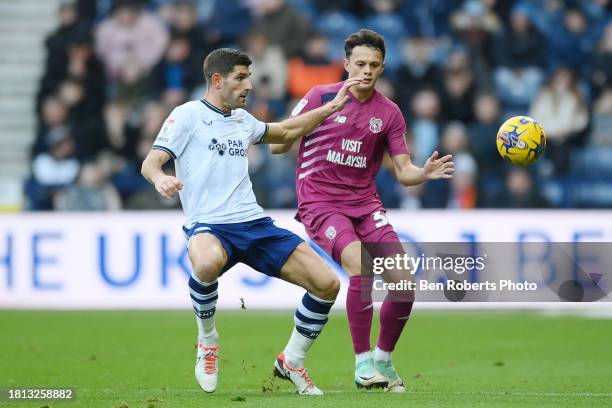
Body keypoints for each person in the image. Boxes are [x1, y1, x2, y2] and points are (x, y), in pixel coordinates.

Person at [141, 48, 360, 395]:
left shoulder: (243, 119)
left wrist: (330, 108)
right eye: (241, 77)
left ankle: (292, 361)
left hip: (254, 223)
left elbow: (285, 132)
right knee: (207, 262)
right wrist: (160, 179)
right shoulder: (187, 115)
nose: (249, 84)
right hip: (209, 224)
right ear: (217, 80)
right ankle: (208, 340)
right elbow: (151, 162)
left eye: (249, 76)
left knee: (327, 284)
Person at [271, 29, 454, 392]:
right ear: (345, 64)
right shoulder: (319, 96)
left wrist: (425, 173)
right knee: (362, 268)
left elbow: (404, 173)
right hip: (321, 204)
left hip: (365, 206)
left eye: (373, 65)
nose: (366, 71)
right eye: (359, 64)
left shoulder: (389, 113)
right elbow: (278, 145)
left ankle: (384, 361)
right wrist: (323, 113)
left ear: (382, 67)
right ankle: (362, 364)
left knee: (404, 286)